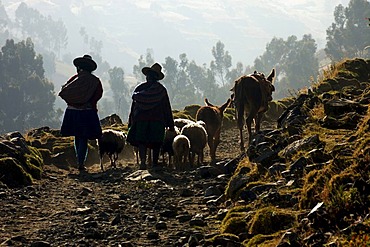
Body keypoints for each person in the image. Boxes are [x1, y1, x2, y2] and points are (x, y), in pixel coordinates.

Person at [58, 54, 103, 172]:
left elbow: (65, 92)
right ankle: (81, 163)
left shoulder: (74, 79)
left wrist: (74, 102)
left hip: (72, 111)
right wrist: (87, 102)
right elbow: (98, 95)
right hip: (87, 112)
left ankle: (80, 161)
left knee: (77, 137)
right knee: (83, 137)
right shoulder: (95, 81)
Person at [127, 63, 175, 170]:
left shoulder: (140, 89)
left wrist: (131, 120)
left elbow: (133, 107)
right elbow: (166, 107)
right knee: (156, 142)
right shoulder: (161, 90)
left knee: (141, 141)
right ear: (157, 77)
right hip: (157, 120)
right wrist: (170, 124)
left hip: (141, 119)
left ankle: (143, 162)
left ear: (147, 76)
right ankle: (154, 163)